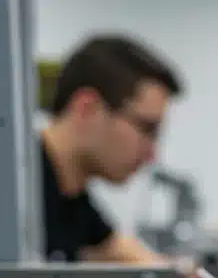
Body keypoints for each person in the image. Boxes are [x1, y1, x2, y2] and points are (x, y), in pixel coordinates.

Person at [40, 35, 180, 265]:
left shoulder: (72, 197)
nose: (151, 154)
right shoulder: (16, 192)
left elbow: (126, 253)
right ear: (87, 109)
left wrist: (207, 273)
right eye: (146, 129)